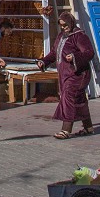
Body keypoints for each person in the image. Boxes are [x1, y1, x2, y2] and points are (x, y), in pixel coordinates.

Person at [38, 10, 94, 138]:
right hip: (65, 74)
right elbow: (54, 53)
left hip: (78, 74)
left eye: (65, 24)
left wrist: (74, 56)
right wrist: (44, 61)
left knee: (68, 97)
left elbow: (89, 52)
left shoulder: (79, 36)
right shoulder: (61, 36)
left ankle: (66, 129)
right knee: (79, 100)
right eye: (61, 25)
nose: (64, 27)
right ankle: (88, 127)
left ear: (71, 22)